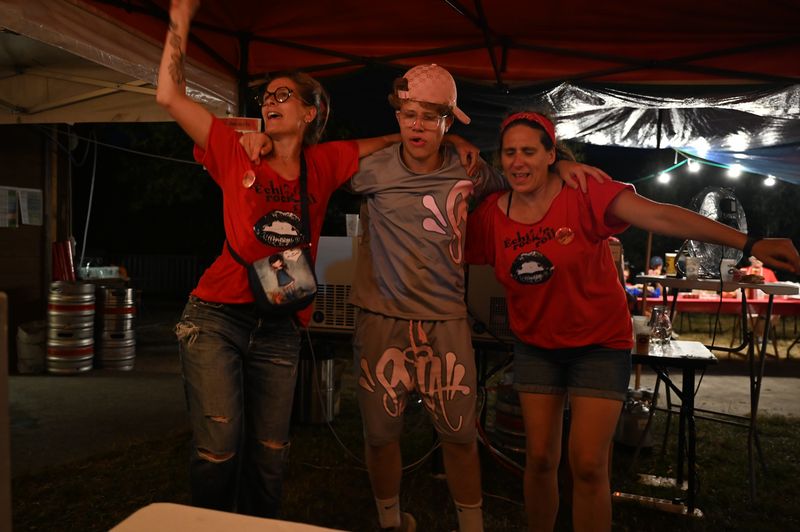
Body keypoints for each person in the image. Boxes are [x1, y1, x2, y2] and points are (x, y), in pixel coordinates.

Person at [241, 66, 609, 531]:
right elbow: (305, 165)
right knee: (380, 436)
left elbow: (525, 183)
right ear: (397, 116)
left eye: (430, 117)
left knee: (459, 436)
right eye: (408, 114)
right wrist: (264, 142)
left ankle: (471, 526)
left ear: (447, 122)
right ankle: (390, 522)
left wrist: (562, 167)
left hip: (446, 321)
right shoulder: (369, 169)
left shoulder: (470, 170)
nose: (416, 125)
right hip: (381, 318)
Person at [464, 110, 800, 532]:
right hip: (536, 346)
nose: (518, 161)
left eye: (529, 151)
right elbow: (443, 240)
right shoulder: (491, 216)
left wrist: (750, 243)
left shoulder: (583, 192)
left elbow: (661, 216)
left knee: (588, 463)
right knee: (541, 459)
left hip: (598, 345)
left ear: (551, 155)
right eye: (510, 152)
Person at [156, 0, 425, 518]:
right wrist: (181, 19)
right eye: (267, 96)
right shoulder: (235, 150)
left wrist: (448, 138)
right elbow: (169, 95)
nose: (271, 101)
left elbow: (391, 141)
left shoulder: (323, 163)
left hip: (281, 325)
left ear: (310, 113)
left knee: (271, 454)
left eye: (284, 95)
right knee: (219, 449)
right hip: (216, 316)